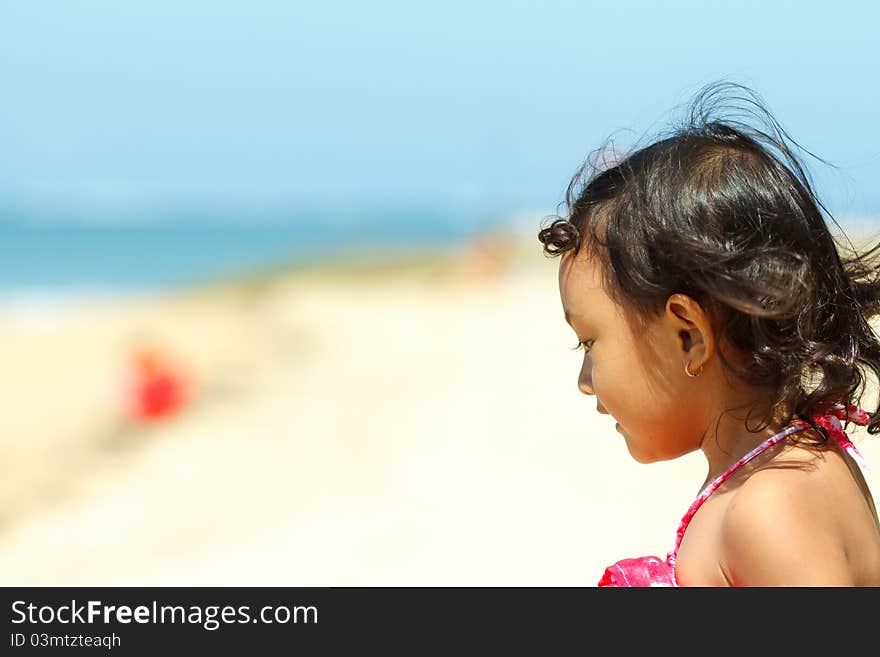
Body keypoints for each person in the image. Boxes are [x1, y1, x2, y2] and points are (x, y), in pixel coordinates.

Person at [537, 81, 880, 586]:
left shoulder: (768, 506)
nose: (584, 380)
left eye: (590, 343)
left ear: (689, 336)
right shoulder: (794, 464)